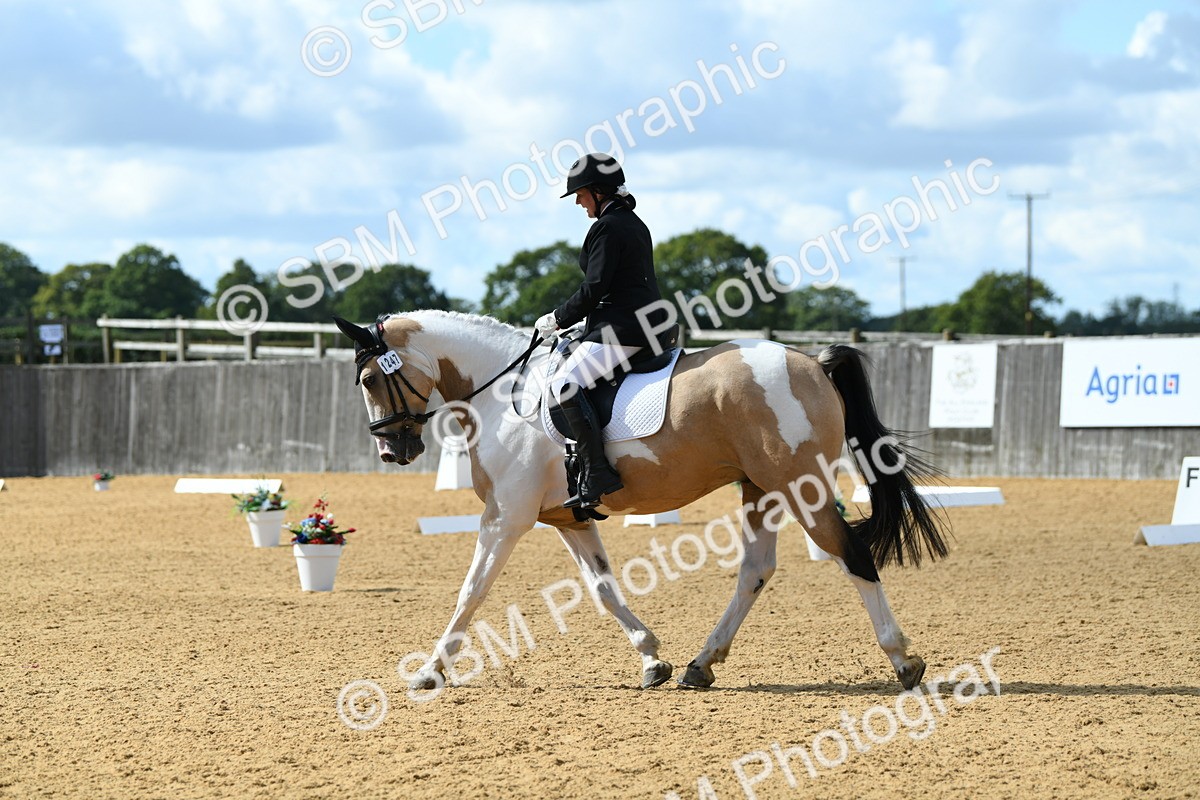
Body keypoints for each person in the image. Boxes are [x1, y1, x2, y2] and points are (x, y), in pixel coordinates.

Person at [534, 153, 668, 509]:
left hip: (624, 331)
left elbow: (594, 288)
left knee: (564, 386)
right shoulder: (634, 222)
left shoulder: (607, 227)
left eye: (580, 194)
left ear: (596, 190)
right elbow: (621, 288)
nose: (578, 202)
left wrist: (558, 318)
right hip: (647, 325)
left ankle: (597, 473)